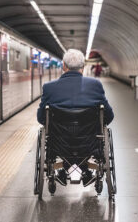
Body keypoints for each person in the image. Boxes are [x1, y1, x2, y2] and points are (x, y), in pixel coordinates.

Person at [37, 49, 114, 187]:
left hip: (59, 144)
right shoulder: (95, 85)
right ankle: (86, 171)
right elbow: (109, 116)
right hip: (89, 144)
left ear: (63, 66)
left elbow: (41, 118)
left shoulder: (49, 88)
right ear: (83, 67)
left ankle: (61, 169)